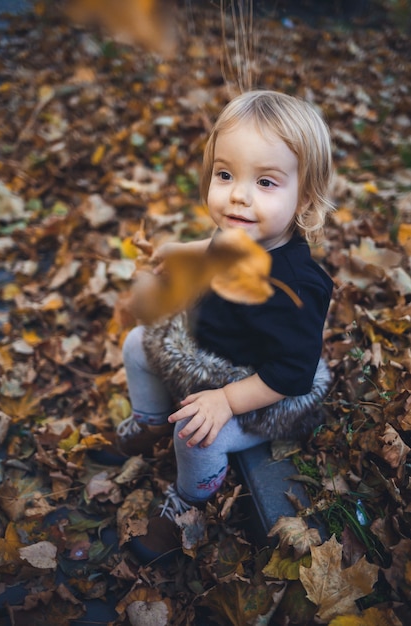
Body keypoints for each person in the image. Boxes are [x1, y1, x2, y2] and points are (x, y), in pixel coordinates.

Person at [117, 89, 334, 563]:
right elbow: (213, 246)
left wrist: (225, 401)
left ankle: (190, 502)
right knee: (137, 343)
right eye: (225, 174)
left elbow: (291, 373)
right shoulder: (242, 229)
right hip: (212, 355)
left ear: (305, 198)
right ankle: (150, 420)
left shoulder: (296, 286)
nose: (238, 193)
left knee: (198, 431)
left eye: (266, 182)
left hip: (265, 394)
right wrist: (177, 252)